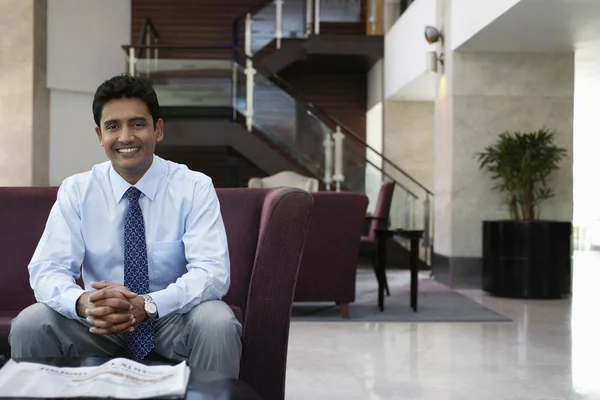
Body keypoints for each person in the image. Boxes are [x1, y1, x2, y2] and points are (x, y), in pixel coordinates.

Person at [9, 74, 242, 378]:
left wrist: (149, 304)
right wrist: (83, 303)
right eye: (113, 126)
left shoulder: (194, 187)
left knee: (217, 321)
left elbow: (212, 272)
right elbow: (47, 268)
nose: (125, 137)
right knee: (30, 322)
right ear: (99, 135)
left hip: (171, 317)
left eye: (137, 124)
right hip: (99, 321)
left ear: (157, 129)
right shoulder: (77, 190)